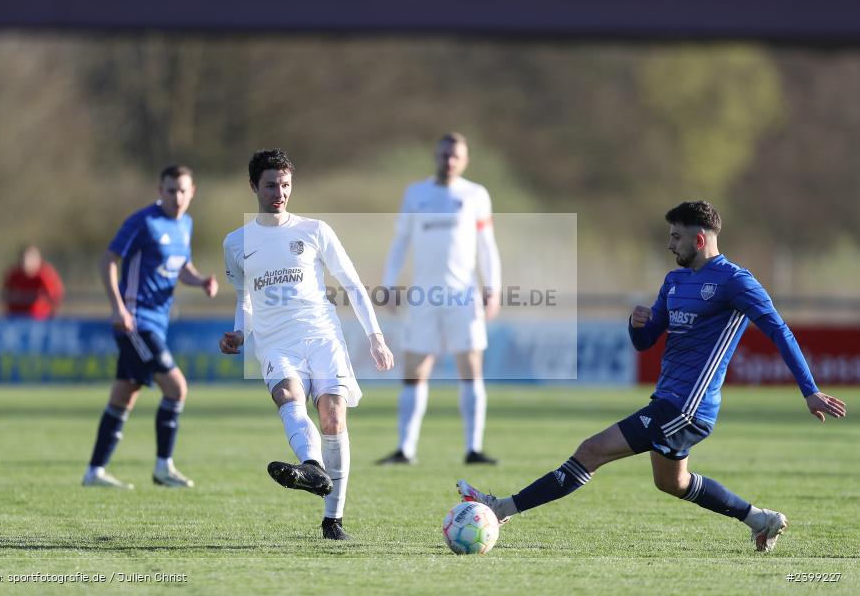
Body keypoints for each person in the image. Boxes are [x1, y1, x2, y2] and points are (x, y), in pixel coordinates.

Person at [458, 201, 847, 552]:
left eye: (676, 237)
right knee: (672, 483)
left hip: (689, 406)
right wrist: (635, 323)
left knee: (591, 450)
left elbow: (780, 330)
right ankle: (760, 520)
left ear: (699, 238)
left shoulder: (736, 281)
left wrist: (809, 390)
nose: (669, 244)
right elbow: (645, 342)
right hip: (668, 400)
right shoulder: (674, 282)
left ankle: (501, 508)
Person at [219, 149, 394, 541]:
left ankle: (333, 521)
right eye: (270, 185)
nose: (278, 193)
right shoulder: (236, 242)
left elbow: (351, 283)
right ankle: (312, 467)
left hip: (322, 336)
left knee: (332, 417)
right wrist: (239, 333)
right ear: (253, 187)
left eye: (285, 185)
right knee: (288, 396)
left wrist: (376, 336)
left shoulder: (315, 231)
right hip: (274, 341)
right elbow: (244, 298)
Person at [83, 165, 218, 490]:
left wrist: (200, 280)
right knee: (176, 388)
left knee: (123, 395)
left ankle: (95, 472)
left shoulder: (185, 224)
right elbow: (108, 261)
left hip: (157, 324)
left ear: (192, 191)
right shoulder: (143, 222)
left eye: (182, 190)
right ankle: (163, 466)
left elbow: (180, 265)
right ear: (160, 190)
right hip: (136, 322)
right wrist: (118, 308)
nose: (177, 197)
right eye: (170, 190)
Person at [376, 132, 502, 466]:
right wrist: (388, 283)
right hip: (423, 297)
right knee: (415, 370)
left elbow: (487, 246)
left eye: (455, 156)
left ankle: (474, 448)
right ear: (436, 156)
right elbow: (400, 241)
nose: (449, 161)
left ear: (465, 161)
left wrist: (493, 287)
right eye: (444, 155)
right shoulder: (415, 194)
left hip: (464, 296)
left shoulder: (475, 195)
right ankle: (405, 449)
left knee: (470, 368)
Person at [1, 245, 65, 318]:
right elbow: (6, 297)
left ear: (38, 260)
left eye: (30, 259)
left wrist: (52, 319)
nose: (26, 262)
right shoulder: (13, 275)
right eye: (24, 259)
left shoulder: (45, 275)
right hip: (17, 319)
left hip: (40, 320)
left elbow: (56, 299)